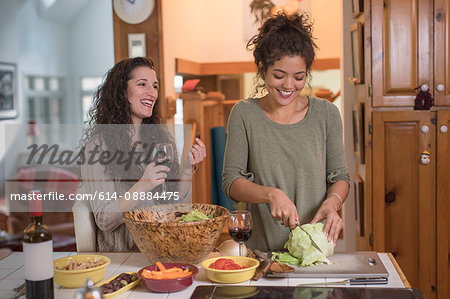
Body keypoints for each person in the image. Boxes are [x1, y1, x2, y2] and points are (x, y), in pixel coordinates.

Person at [222, 13, 350, 251]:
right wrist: (271, 194)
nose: (289, 85)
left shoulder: (327, 114)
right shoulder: (244, 114)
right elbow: (232, 182)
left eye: (299, 77)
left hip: (315, 252)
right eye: (279, 76)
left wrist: (333, 202)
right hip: (262, 256)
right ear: (263, 70)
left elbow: (340, 176)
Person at [78, 57, 206, 251]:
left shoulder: (159, 138)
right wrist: (143, 185)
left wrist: (187, 168)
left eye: (155, 86)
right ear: (122, 91)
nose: (152, 93)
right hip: (127, 257)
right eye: (142, 84)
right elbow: (104, 219)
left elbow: (177, 205)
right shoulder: (97, 148)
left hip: (163, 248)